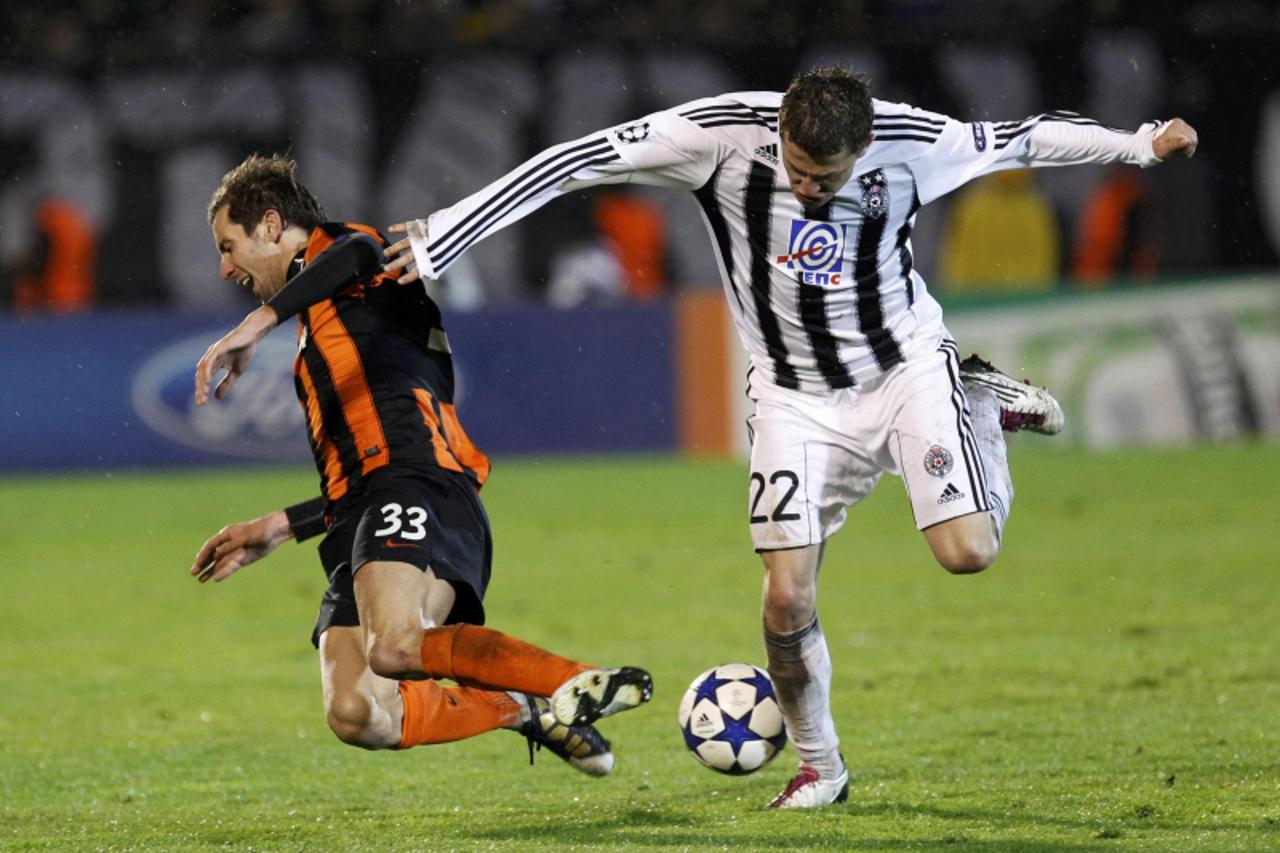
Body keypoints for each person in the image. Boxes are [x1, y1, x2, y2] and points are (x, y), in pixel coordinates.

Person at [375, 67, 1199, 809]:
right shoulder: (718, 136)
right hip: (791, 397)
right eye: (797, 170)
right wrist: (446, 232)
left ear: (861, 150)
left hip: (904, 369)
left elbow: (1025, 138)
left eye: (825, 178)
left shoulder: (913, 142)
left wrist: (1138, 144)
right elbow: (578, 159)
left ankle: (977, 404)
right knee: (785, 598)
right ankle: (820, 767)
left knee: (968, 552)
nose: (806, 188)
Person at [189, 153, 652, 775]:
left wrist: (260, 321)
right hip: (366, 506)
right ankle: (520, 707)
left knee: (396, 646)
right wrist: (282, 526)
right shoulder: (321, 323)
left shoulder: (355, 261)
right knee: (359, 714)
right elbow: (358, 470)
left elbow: (360, 252)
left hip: (418, 484)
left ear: (271, 226)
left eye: (229, 246)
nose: (225, 267)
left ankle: (578, 681)